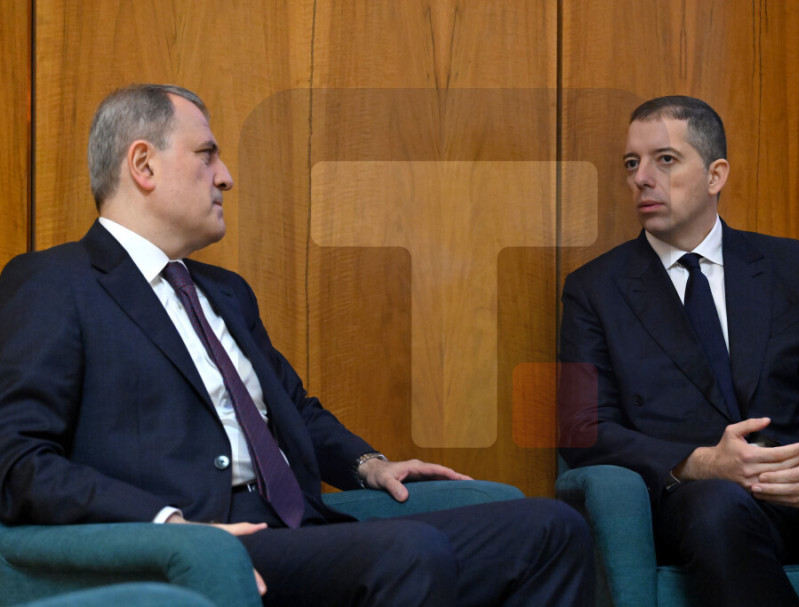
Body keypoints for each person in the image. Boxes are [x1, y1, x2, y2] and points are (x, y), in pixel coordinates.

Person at [0, 84, 595, 607]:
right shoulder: (55, 284)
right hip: (208, 539)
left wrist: (369, 465)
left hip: (298, 526)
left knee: (551, 528)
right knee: (409, 552)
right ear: (143, 164)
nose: (225, 176)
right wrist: (167, 525)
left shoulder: (225, 292)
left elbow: (293, 409)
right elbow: (16, 457)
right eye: (207, 154)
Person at [558, 95, 799, 606]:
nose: (641, 178)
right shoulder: (594, 289)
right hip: (702, 504)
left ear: (715, 175)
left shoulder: (795, 265)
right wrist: (700, 463)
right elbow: (582, 429)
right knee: (717, 506)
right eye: (632, 163)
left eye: (665, 159)